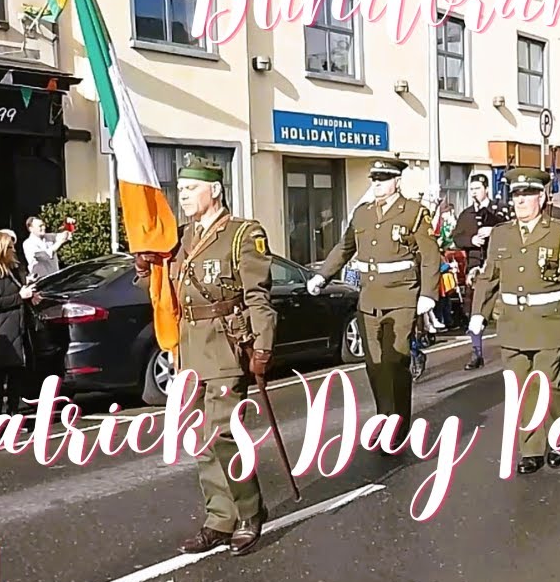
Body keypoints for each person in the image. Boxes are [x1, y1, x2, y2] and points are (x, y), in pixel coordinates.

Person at [133, 155, 275, 556]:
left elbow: (257, 296)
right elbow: (164, 296)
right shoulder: (179, 239)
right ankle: (219, 518)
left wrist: (263, 345)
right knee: (201, 439)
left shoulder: (242, 234)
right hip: (188, 350)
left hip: (226, 347)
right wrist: (145, 269)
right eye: (180, 190)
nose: (184, 197)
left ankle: (249, 512)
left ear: (214, 190)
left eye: (191, 189)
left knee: (225, 433)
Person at [467, 168, 560, 475]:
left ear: (541, 197)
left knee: (550, 384)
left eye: (527, 196)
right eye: (516, 196)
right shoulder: (502, 233)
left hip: (549, 321)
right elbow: (489, 277)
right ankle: (531, 449)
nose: (520, 202)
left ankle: (558, 438)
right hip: (512, 323)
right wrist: (478, 314)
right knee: (522, 388)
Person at [308, 158, 440, 439]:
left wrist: (428, 294)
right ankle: (384, 417)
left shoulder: (414, 212)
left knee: (396, 360)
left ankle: (398, 425)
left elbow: (430, 256)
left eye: (383, 178)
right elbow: (345, 248)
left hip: (401, 297)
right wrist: (323, 276)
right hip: (369, 298)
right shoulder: (363, 214)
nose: (377, 184)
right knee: (375, 363)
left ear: (396, 181)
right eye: (374, 179)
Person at [0, 230, 38, 418]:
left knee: (16, 376)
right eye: (9, 247)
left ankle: (14, 412)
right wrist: (20, 297)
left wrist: (30, 294)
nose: (13, 250)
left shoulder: (14, 270)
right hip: (0, 332)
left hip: (18, 328)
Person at [452, 174, 508, 370]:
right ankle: (477, 353)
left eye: (477, 188)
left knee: (504, 309)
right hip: (475, 267)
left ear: (486, 189)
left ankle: (511, 350)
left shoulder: (500, 210)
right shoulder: (466, 214)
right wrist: (471, 240)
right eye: (471, 188)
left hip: (500, 266)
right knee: (475, 311)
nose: (474, 192)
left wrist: (493, 231)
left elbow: (512, 230)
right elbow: (456, 238)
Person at [22, 216, 73, 282]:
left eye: (43, 225)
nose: (44, 228)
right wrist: (59, 243)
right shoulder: (28, 244)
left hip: (55, 279)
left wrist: (69, 224)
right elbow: (44, 256)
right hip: (41, 282)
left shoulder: (49, 237)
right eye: (40, 226)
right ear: (31, 229)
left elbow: (64, 235)